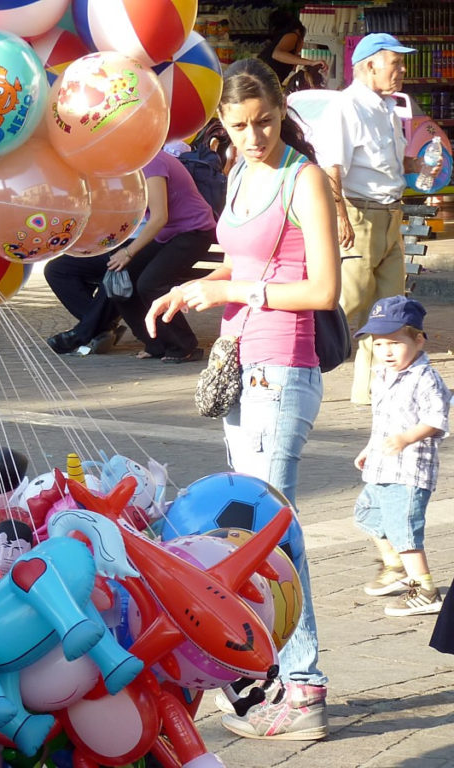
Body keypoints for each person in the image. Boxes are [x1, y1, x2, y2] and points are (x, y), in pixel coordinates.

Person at [146, 57, 341, 740]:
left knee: (268, 532)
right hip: (239, 360)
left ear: (281, 113)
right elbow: (242, 259)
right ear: (222, 126)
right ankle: (271, 675)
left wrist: (233, 291)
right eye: (240, 125)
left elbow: (323, 291)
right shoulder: (240, 172)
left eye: (264, 122)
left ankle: (305, 684)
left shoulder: (302, 177)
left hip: (283, 365)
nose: (255, 135)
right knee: (253, 530)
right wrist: (191, 287)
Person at [317, 34, 439, 405]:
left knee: (388, 310)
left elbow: (386, 163)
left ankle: (370, 389)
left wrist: (417, 165)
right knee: (347, 303)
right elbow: (331, 168)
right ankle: (300, 362)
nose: (401, 71)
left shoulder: (388, 108)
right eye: (395, 64)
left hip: (390, 214)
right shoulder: (346, 107)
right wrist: (340, 218)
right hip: (358, 214)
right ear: (370, 65)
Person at [351, 296, 450, 617]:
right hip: (382, 466)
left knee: (404, 530)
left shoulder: (425, 378)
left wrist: (407, 437)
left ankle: (425, 589)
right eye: (379, 345)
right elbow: (382, 421)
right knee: (366, 514)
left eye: (394, 343)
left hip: (409, 472)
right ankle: (396, 567)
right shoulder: (382, 375)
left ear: (418, 340)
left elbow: (437, 419)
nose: (386, 352)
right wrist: (370, 447)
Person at [107, 149, 217, 363]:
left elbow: (159, 218)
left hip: (194, 232)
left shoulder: (151, 161)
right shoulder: (129, 165)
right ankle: (155, 343)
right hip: (170, 235)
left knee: (150, 283)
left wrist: (128, 252)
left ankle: (184, 345)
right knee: (123, 276)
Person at [43, 250, 126, 355]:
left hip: (134, 249)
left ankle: (81, 334)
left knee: (114, 274)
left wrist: (128, 252)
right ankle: (103, 326)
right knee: (55, 269)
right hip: (106, 248)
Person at [257, 9, 328, 86]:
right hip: (259, 81)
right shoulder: (294, 35)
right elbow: (277, 54)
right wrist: (311, 63)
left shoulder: (286, 38)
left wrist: (300, 61)